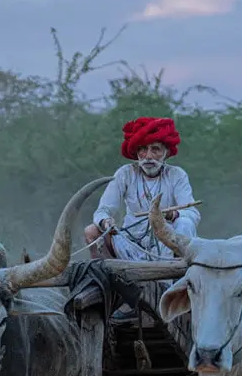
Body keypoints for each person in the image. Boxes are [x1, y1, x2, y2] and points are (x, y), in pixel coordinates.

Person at [84, 116, 201, 322]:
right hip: (132, 244)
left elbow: (193, 213)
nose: (148, 156)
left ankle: (177, 291)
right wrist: (106, 222)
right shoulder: (125, 174)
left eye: (155, 149)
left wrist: (172, 215)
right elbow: (102, 211)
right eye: (142, 150)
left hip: (167, 246)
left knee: (184, 223)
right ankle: (119, 294)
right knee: (92, 232)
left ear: (166, 153)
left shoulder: (177, 175)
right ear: (136, 153)